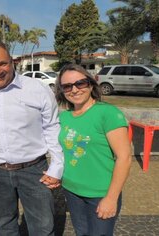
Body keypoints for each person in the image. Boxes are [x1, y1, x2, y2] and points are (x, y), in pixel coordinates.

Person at [0, 41, 64, 235]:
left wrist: (56, 167)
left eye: (3, 63)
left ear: (12, 62)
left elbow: (52, 127)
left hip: (35, 170)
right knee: (4, 226)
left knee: (43, 227)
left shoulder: (38, 89)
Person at [54, 64, 132, 236]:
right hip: (72, 191)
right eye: (67, 86)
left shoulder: (108, 113)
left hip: (100, 193)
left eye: (80, 83)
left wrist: (111, 198)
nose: (74, 90)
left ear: (90, 83)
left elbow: (124, 158)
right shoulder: (63, 117)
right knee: (81, 233)